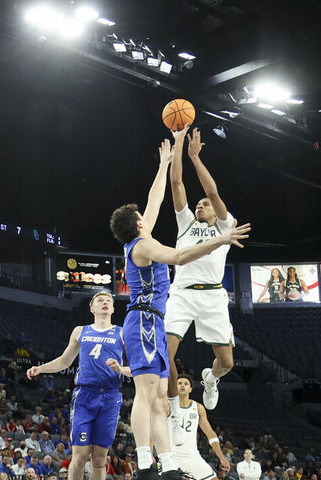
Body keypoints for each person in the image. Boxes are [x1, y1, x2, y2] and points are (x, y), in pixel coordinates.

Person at [108, 137, 250, 480]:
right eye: (143, 216)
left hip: (162, 315)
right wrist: (220, 239)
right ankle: (145, 463)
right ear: (139, 224)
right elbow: (179, 256)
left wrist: (164, 162)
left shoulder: (142, 236)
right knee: (147, 394)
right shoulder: (144, 245)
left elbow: (155, 200)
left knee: (157, 394)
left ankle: (168, 464)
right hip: (147, 316)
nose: (147, 215)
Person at [166, 126, 239, 433]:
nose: (200, 204)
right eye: (198, 204)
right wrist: (180, 142)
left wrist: (197, 158)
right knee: (163, 354)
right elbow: (176, 182)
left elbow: (212, 192)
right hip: (181, 293)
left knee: (227, 363)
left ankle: (210, 379)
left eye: (204, 205)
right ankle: (172, 407)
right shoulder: (185, 223)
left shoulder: (226, 226)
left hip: (212, 296)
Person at [26, 291, 125, 480]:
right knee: (79, 456)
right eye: (100, 300)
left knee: (99, 458)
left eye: (108, 301)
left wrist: (123, 369)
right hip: (85, 395)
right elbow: (64, 361)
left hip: (111, 396)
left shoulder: (121, 332)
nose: (104, 303)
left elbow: (136, 363)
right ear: (92, 308)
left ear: (113, 308)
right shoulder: (81, 330)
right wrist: (41, 368)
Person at [165, 374, 230, 480]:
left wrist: (222, 458)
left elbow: (210, 434)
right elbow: (155, 431)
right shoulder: (167, 406)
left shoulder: (198, 408)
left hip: (193, 458)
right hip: (172, 458)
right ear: (175, 388)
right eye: (179, 383)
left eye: (186, 384)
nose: (182, 385)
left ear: (190, 389)